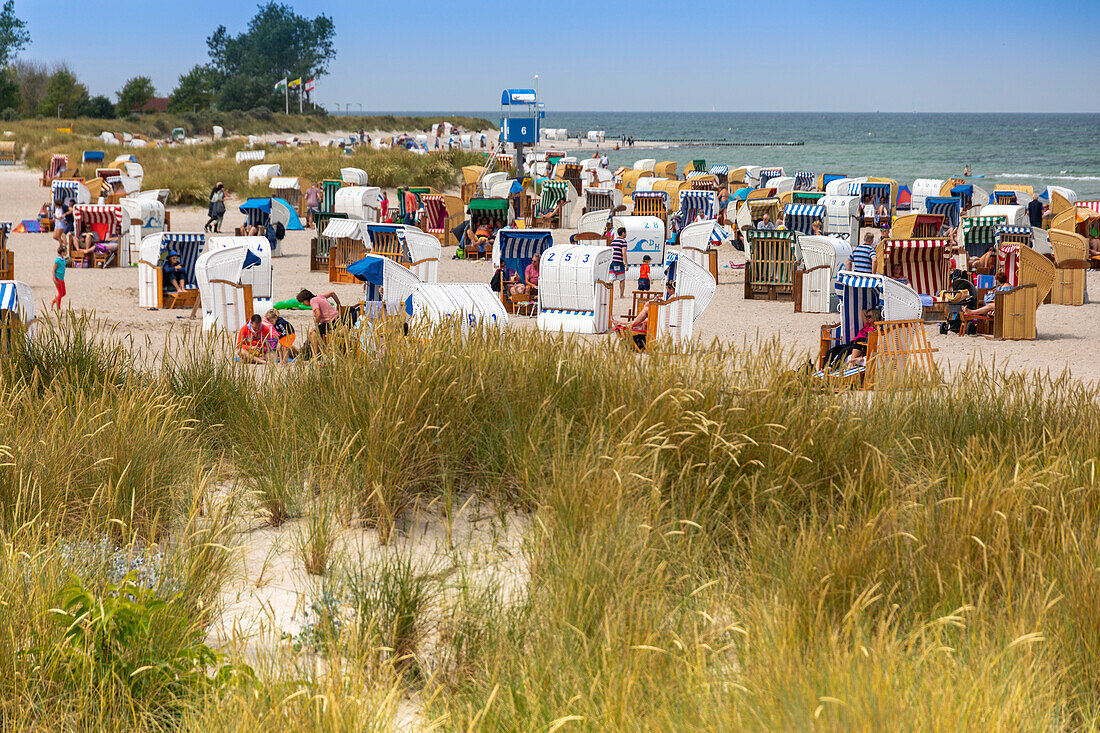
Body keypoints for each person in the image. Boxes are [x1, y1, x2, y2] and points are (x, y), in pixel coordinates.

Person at [609, 226, 628, 296]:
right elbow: (623, 253)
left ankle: (610, 294)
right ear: (623, 233)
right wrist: (626, 264)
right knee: (622, 279)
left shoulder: (613, 241)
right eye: (625, 233)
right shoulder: (623, 241)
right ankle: (621, 295)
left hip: (611, 262)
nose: (626, 234)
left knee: (611, 279)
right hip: (618, 262)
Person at [51, 244, 66, 309]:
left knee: (64, 293)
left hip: (61, 277)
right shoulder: (57, 260)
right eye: (66, 251)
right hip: (57, 278)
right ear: (62, 252)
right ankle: (58, 308)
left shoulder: (63, 259)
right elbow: (53, 270)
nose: (66, 253)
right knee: (60, 293)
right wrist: (54, 279)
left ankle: (53, 301)